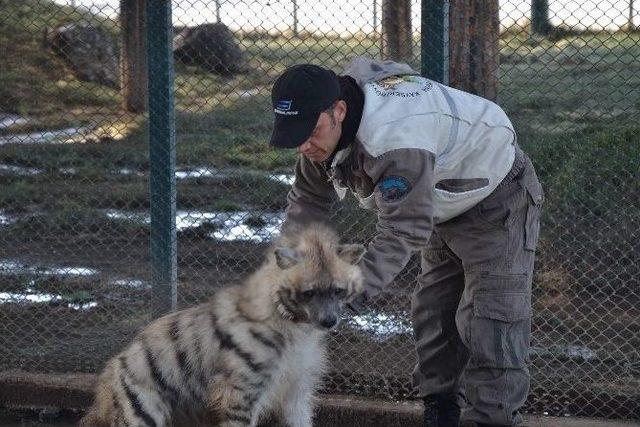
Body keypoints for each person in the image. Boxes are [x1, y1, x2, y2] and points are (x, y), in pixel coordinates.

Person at [268, 56, 544, 427]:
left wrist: (344, 293)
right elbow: (307, 203)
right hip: (437, 199)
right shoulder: (321, 137)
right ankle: (441, 411)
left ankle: (492, 420)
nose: (303, 145)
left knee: (489, 319)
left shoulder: (395, 140)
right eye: (294, 133)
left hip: (494, 198)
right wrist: (282, 278)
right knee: (434, 313)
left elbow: (403, 230)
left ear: (339, 110)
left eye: (310, 130)